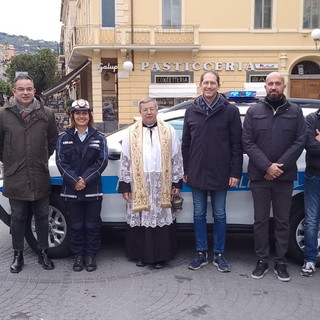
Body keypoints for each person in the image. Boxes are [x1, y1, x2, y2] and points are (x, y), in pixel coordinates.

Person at [242, 72, 306, 282]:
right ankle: (261, 260)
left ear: (284, 86)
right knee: (260, 221)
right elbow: (248, 142)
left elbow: (300, 141)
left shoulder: (295, 112)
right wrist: (267, 166)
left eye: (278, 83)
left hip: (284, 177)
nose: (274, 87)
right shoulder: (254, 111)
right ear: (265, 87)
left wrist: (279, 166)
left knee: (282, 221)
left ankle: (280, 261)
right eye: (270, 83)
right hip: (260, 177)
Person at [182, 71, 243, 272]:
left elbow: (237, 145)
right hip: (197, 172)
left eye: (212, 82)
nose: (208, 86)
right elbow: (186, 144)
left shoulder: (230, 112)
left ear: (218, 85)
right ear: (200, 85)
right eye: (205, 82)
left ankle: (219, 254)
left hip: (221, 172)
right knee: (198, 213)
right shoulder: (191, 111)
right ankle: (201, 253)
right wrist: (186, 169)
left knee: (220, 214)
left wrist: (235, 173)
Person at [0, 74, 58, 273]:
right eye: (21, 89)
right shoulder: (3, 114)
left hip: (39, 174)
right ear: (14, 91)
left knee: (42, 216)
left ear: (34, 90)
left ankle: (43, 252)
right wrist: (10, 162)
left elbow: (52, 142)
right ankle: (18, 254)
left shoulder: (47, 114)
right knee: (17, 217)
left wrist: (40, 160)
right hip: (15, 175)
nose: (25, 92)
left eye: (29, 89)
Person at [118, 97, 183, 269]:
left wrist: (176, 182)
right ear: (140, 112)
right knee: (141, 218)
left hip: (162, 182)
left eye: (151, 109)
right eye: (145, 109)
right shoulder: (131, 133)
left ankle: (161, 256)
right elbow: (125, 159)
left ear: (157, 110)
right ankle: (141, 255)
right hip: (140, 183)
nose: (148, 112)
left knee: (159, 217)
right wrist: (125, 184)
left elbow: (176, 158)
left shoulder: (168, 130)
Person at [56, 99, 108, 272]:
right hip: (71, 190)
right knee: (76, 225)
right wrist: (74, 181)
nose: (81, 116)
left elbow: (102, 161)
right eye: (77, 113)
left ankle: (90, 255)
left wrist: (84, 179)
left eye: (85, 113)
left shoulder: (99, 137)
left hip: (92, 189)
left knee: (92, 225)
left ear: (89, 115)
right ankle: (78, 256)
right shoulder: (63, 137)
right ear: (72, 116)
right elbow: (60, 162)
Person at [300, 108, 320, 277]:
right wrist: (315, 142)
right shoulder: (311, 119)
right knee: (311, 220)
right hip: (315, 175)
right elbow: (311, 146)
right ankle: (310, 260)